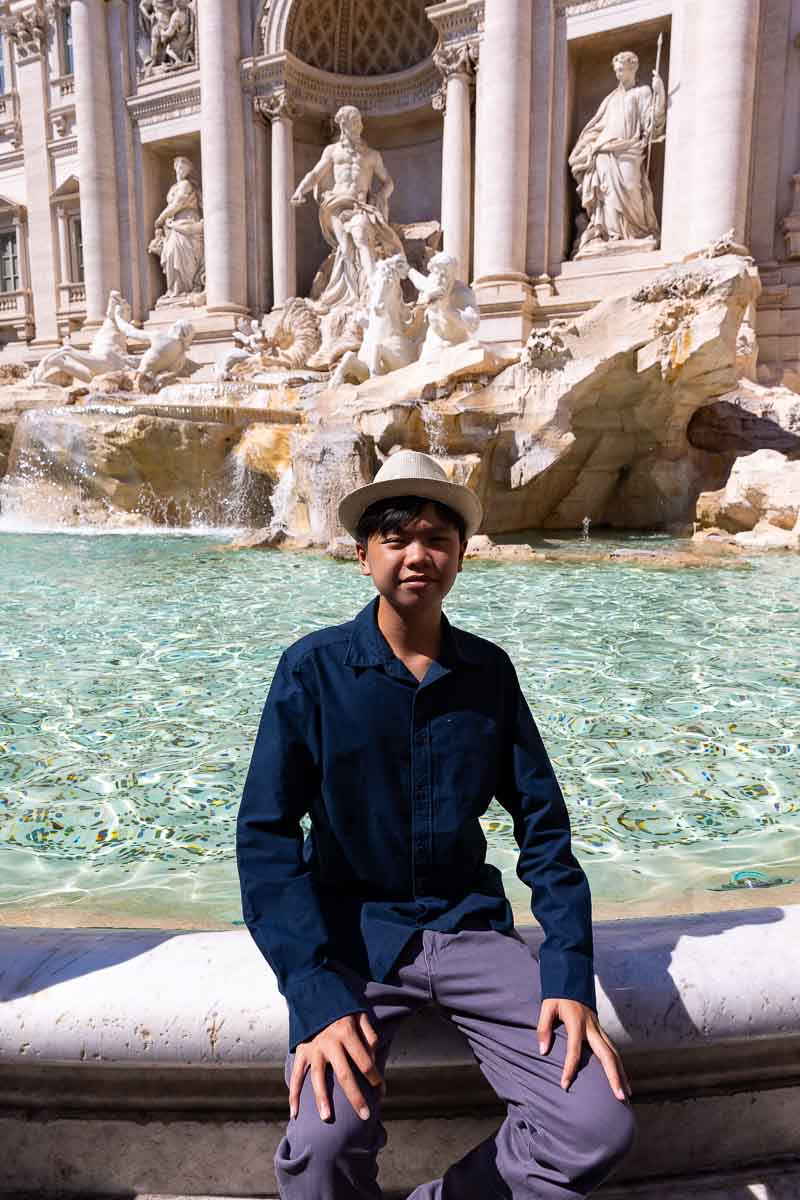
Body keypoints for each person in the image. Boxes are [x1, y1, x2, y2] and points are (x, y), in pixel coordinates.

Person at [237, 449, 636, 1199]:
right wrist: (315, 990)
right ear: (363, 557)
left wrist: (569, 970)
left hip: (468, 929)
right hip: (353, 938)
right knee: (324, 1145)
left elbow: (543, 827)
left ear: (459, 556)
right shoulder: (311, 670)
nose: (418, 554)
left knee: (595, 1125)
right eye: (397, 537)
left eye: (437, 538)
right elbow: (264, 836)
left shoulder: (489, 672)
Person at [290, 104, 404, 311]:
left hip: (361, 205)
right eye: (354, 122)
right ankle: (346, 297)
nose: (359, 126)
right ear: (343, 125)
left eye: (359, 121)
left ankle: (370, 289)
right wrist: (300, 190)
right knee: (345, 247)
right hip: (336, 203)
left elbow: (389, 182)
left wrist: (380, 198)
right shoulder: (332, 151)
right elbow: (316, 175)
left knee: (361, 238)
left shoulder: (371, 155)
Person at [568, 49, 666, 258]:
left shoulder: (643, 92)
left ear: (633, 68)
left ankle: (636, 233)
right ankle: (612, 235)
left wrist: (661, 94)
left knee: (631, 187)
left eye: (623, 69)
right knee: (607, 194)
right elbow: (597, 126)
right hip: (604, 151)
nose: (619, 74)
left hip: (629, 149)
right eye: (617, 70)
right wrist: (586, 147)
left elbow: (653, 125)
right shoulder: (611, 99)